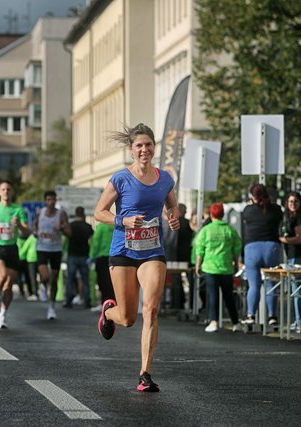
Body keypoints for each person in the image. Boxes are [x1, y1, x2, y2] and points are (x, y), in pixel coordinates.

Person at [94, 123, 180, 392]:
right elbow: (99, 212)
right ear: (132, 150)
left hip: (152, 252)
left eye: (148, 145)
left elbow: (172, 204)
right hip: (123, 252)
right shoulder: (121, 178)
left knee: (151, 310)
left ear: (154, 147)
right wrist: (124, 220)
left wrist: (173, 216)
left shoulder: (164, 178)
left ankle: (145, 374)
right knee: (129, 318)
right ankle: (108, 313)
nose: (145, 149)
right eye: (139, 146)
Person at [0, 180, 29, 329]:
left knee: (8, 286)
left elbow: (27, 232)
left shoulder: (18, 209)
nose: (6, 192)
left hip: (12, 249)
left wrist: (19, 225)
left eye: (9, 189)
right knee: (1, 276)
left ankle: (2, 315)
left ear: (12, 192)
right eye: (3, 189)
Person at [194, 202, 242, 332]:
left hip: (210, 267)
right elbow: (236, 249)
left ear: (211, 214)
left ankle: (213, 322)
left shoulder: (206, 230)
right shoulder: (230, 230)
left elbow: (200, 249)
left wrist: (198, 266)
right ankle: (236, 322)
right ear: (223, 214)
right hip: (226, 268)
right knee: (229, 296)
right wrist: (236, 264)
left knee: (213, 295)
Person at [241, 183, 283, 328]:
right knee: (271, 284)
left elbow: (245, 220)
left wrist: (251, 204)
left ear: (253, 196)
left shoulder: (248, 210)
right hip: (272, 247)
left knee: (254, 285)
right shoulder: (276, 210)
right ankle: (272, 316)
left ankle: (251, 315)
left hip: (252, 248)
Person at [279, 191, 301, 334]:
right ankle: (299, 320)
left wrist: (284, 240)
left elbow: (300, 238)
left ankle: (300, 322)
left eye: (296, 202)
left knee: (298, 290)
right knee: (296, 291)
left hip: (300, 257)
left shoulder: (300, 218)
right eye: (290, 201)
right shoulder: (287, 217)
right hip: (292, 256)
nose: (293, 204)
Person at [34, 190, 71, 320]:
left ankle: (51, 307)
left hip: (55, 249)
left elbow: (69, 232)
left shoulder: (61, 214)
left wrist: (61, 228)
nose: (51, 202)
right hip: (42, 247)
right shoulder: (40, 212)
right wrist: (35, 232)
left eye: (53, 199)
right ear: (45, 201)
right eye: (49, 199)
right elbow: (35, 226)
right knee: (45, 275)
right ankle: (42, 284)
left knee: (54, 279)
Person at [65, 206, 93, 308]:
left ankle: (68, 301)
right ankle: (87, 301)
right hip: (84, 255)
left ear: (76, 213)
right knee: (85, 280)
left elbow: (66, 238)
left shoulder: (71, 226)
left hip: (72, 254)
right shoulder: (88, 227)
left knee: (70, 279)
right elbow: (91, 240)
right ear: (83, 214)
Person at [88, 221, 115, 311]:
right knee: (112, 283)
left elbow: (96, 242)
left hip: (102, 258)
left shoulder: (101, 227)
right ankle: (113, 303)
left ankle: (104, 304)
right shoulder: (115, 226)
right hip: (114, 257)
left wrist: (92, 256)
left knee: (103, 283)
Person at [18, 233, 38, 300]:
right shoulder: (39, 237)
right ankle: (33, 292)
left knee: (30, 277)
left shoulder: (31, 238)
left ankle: (31, 293)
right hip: (39, 258)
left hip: (30, 259)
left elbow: (24, 248)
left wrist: (18, 257)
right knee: (31, 277)